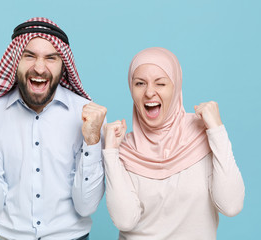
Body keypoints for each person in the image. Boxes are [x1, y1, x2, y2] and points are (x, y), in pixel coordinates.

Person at [0, 17, 107, 240]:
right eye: (29, 56)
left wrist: (92, 141)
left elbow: (86, 206)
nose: (39, 68)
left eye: (51, 58)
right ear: (15, 60)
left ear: (63, 65)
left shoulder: (89, 117)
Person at [103, 47, 245, 240]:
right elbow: (125, 221)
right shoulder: (124, 148)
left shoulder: (202, 134)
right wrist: (110, 152)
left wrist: (217, 131)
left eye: (160, 84)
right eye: (139, 83)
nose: (149, 92)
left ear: (176, 87)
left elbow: (231, 205)